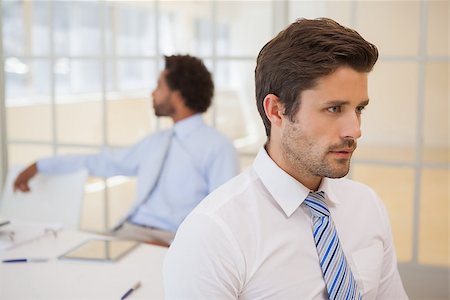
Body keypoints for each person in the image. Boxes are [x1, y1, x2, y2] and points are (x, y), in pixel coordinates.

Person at [164, 18, 408, 299]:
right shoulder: (212, 234)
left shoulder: (367, 206)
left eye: (359, 109)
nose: (355, 130)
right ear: (276, 111)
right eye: (334, 109)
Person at [13, 54, 239, 246]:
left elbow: (222, 217)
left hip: (174, 242)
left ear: (177, 96)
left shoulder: (218, 148)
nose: (152, 93)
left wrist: (176, 245)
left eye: (159, 86)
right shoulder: (157, 142)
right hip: (128, 234)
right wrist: (40, 165)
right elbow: (101, 161)